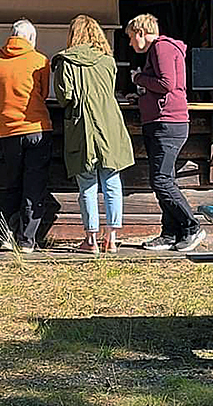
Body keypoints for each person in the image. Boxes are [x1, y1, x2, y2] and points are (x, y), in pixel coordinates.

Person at [53, 15, 134, 254]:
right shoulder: (108, 62)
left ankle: (91, 239)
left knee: (87, 184)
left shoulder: (65, 62)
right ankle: (113, 238)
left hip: (82, 127)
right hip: (109, 125)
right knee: (112, 182)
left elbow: (64, 96)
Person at [126, 13, 205, 252]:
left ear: (140, 32)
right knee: (164, 178)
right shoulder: (164, 50)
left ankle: (192, 227)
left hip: (167, 122)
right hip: (163, 120)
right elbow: (162, 86)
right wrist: (142, 95)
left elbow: (166, 84)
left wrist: (137, 78)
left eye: (131, 37)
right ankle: (171, 233)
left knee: (160, 180)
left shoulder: (161, 48)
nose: (130, 43)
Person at [0, 19, 53, 253]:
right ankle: (26, 240)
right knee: (34, 185)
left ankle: (6, 235)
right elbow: (44, 93)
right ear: (31, 39)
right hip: (37, 127)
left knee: (13, 184)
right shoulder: (40, 60)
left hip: (8, 130)